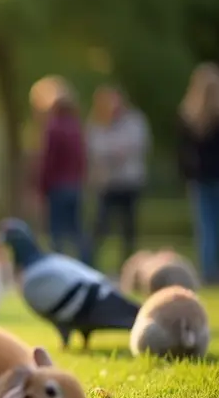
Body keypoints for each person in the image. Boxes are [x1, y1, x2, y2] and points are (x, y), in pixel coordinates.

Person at [87, 85, 150, 269]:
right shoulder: (97, 123)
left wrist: (114, 151)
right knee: (100, 225)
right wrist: (115, 151)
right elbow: (95, 149)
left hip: (129, 182)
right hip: (107, 183)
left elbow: (137, 145)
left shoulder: (135, 121)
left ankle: (127, 264)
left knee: (128, 228)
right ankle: (91, 261)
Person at [32, 76, 90, 264]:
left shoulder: (53, 127)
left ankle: (57, 263)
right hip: (74, 185)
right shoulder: (76, 126)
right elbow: (82, 159)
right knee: (76, 229)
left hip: (57, 185)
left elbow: (48, 162)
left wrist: (41, 187)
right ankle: (87, 261)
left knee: (56, 230)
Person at [177, 62, 219, 284]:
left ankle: (208, 270)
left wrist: (187, 173)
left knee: (205, 226)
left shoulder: (189, 116)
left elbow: (182, 152)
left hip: (199, 177)